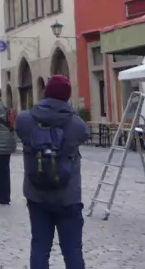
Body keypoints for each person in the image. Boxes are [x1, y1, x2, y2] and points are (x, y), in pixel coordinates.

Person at [16, 74, 89, 269]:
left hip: (36, 193)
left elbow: (19, 130)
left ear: (45, 92)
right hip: (68, 196)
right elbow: (85, 134)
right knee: (72, 250)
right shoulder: (76, 124)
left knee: (40, 246)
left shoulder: (25, 119)